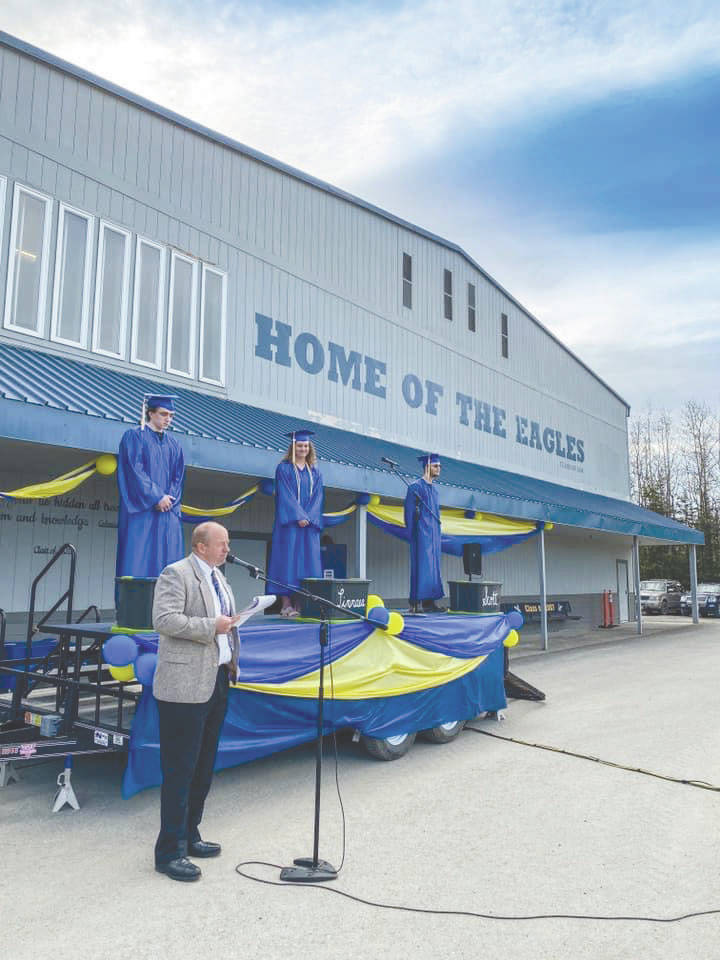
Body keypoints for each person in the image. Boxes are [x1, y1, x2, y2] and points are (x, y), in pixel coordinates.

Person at [152, 521, 242, 882]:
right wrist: (211, 626)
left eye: (227, 543)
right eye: (221, 543)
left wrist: (232, 656)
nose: (226, 549)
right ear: (201, 546)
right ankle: (168, 852)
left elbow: (226, 624)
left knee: (204, 766)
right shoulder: (177, 573)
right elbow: (164, 619)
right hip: (184, 686)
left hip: (216, 681)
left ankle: (191, 835)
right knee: (180, 769)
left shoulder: (220, 578)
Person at [116, 393, 185, 578]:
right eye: (163, 414)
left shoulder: (175, 444)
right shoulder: (134, 436)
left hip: (167, 513)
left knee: (170, 566)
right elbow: (134, 470)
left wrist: (168, 499)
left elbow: (178, 477)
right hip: (143, 511)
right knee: (138, 561)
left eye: (171, 415)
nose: (168, 419)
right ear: (150, 413)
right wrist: (156, 497)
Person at [267, 429, 324, 617]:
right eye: (300, 445)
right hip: (290, 525)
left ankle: (301, 604)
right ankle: (286, 604)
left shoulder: (315, 471)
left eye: (306, 446)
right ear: (293, 446)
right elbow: (285, 495)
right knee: (287, 561)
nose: (303, 449)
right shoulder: (283, 468)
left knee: (307, 563)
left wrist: (309, 517)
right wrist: (298, 515)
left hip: (308, 526)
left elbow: (318, 497)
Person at [404, 453, 445, 613]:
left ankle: (430, 602)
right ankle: (416, 602)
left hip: (434, 534)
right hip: (421, 533)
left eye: (440, 466)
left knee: (434, 567)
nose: (439, 469)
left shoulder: (435, 490)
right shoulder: (416, 486)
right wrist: (413, 532)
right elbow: (408, 511)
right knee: (421, 566)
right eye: (436, 466)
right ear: (427, 466)